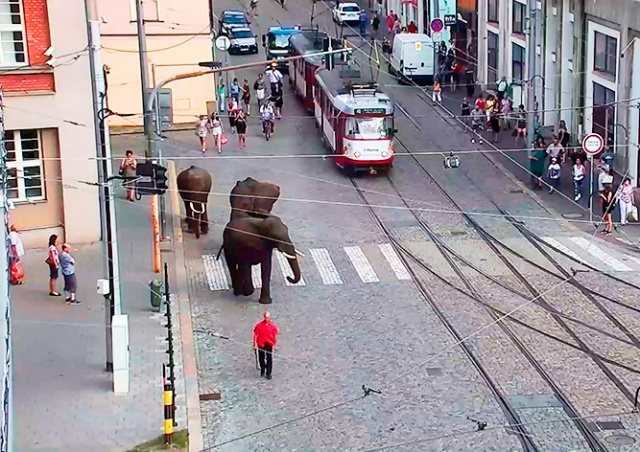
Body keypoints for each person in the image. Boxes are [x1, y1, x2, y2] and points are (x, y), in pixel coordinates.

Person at [253, 311, 279, 379]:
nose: (267, 319)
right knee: (261, 357)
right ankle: (263, 368)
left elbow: (274, 336)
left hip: (269, 343)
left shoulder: (273, 326)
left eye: (268, 317)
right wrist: (254, 344)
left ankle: (268, 373)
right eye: (266, 317)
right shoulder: (259, 325)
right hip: (261, 343)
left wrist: (275, 345)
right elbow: (255, 335)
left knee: (269, 358)